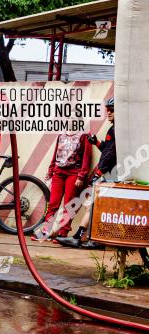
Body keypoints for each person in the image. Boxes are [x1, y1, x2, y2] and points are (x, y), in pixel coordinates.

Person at [57, 96, 116, 249]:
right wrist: (96, 141)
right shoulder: (113, 129)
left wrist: (99, 173)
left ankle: (84, 238)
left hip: (110, 174)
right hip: (110, 173)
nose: (109, 113)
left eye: (112, 110)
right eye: (108, 110)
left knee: (93, 204)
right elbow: (107, 150)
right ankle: (87, 237)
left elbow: (110, 155)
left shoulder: (116, 130)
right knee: (94, 205)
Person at [34, 128, 92, 241]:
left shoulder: (84, 135)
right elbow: (55, 153)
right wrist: (50, 171)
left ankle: (63, 233)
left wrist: (81, 176)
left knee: (69, 204)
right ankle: (45, 232)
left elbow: (87, 157)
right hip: (58, 173)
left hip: (74, 174)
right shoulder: (61, 134)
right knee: (53, 204)